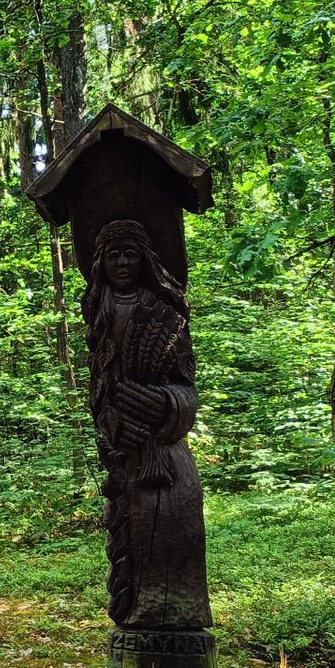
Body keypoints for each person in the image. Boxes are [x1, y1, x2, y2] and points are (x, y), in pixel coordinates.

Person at [83, 220, 209, 630]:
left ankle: (180, 626)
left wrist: (164, 404)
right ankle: (136, 619)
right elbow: (99, 391)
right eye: (113, 254)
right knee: (130, 541)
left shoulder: (165, 314)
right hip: (127, 455)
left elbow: (187, 388)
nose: (122, 263)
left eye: (131, 254)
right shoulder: (98, 314)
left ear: (145, 259)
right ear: (100, 261)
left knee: (175, 526)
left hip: (167, 452)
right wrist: (115, 424)